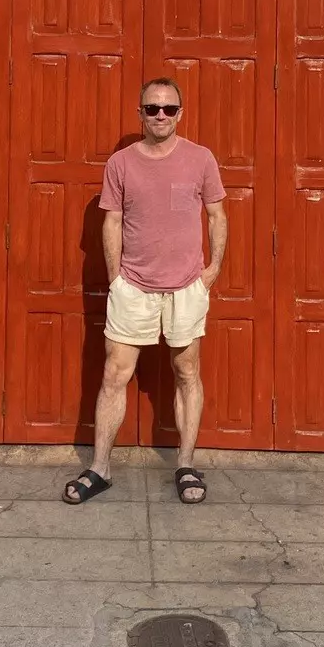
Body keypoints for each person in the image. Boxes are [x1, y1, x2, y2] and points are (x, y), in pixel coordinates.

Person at [63, 78, 228, 507]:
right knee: (114, 374)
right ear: (139, 113)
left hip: (186, 287)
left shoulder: (200, 159)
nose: (160, 115)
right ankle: (99, 467)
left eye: (169, 109)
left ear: (180, 113)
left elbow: (216, 214)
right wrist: (117, 278)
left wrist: (212, 270)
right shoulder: (120, 164)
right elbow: (112, 221)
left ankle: (186, 464)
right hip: (133, 287)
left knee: (187, 372)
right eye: (152, 108)